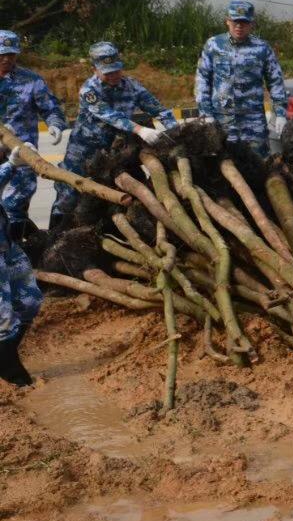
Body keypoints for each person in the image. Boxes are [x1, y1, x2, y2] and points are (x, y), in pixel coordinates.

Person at [50, 42, 172, 229]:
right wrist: (140, 129)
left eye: (116, 70)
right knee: (69, 194)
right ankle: (54, 234)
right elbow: (111, 116)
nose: (113, 76)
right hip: (84, 149)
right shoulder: (89, 90)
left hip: (116, 151)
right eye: (107, 72)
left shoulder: (131, 86)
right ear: (95, 69)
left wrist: (174, 128)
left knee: (129, 191)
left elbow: (158, 108)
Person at [194, 0, 288, 158]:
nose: (239, 26)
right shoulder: (213, 45)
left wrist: (280, 113)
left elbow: (276, 82)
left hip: (252, 121)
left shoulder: (262, 48)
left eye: (244, 22)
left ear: (252, 24)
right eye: (235, 22)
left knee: (258, 165)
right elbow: (202, 80)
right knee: (223, 165)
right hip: (221, 119)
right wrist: (206, 114)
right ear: (227, 21)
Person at [0, 30, 67, 240]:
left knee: (14, 205)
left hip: (23, 154)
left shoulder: (31, 80)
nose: (6, 59)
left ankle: (16, 253)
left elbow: (51, 109)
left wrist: (55, 124)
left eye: (11, 54)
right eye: (1, 54)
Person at [0, 149, 42, 387]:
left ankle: (5, 352)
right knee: (3, 320)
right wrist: (10, 164)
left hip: (6, 246)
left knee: (30, 302)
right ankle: (15, 378)